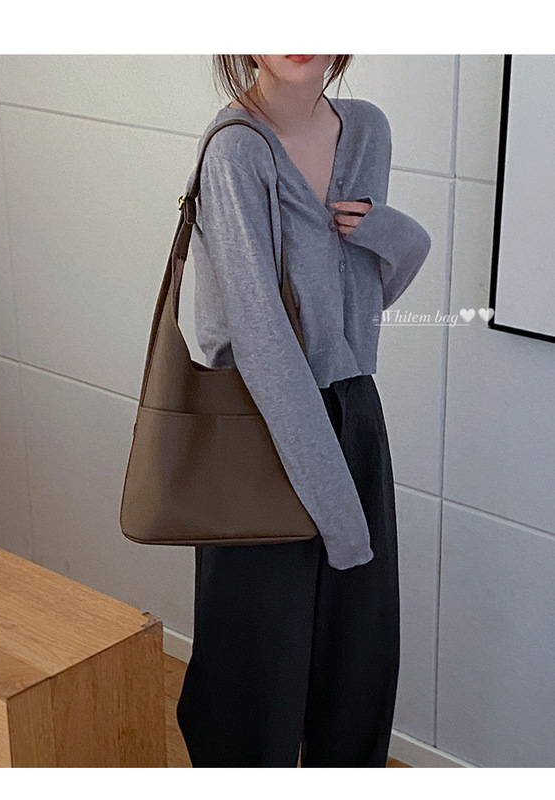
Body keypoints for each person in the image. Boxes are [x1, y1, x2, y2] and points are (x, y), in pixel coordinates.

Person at [176, 54, 432, 768]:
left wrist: (399, 238)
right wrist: (339, 512)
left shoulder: (367, 131)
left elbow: (355, 306)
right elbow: (263, 342)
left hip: (352, 415)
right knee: (251, 684)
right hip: (259, 427)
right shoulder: (235, 151)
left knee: (358, 669)